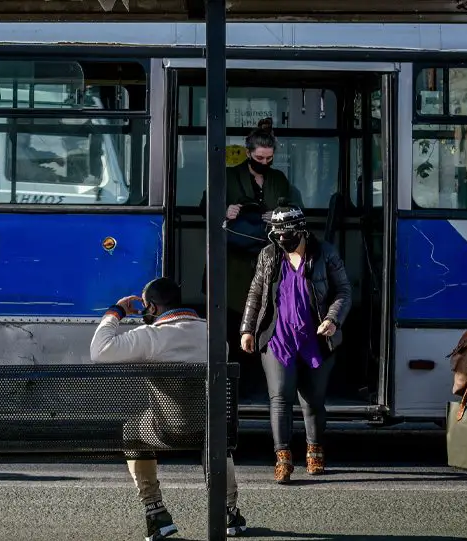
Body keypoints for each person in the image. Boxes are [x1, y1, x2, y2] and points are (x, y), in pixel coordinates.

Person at [91, 277, 248, 539]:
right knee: (216, 436)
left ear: (152, 308)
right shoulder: (213, 335)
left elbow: (99, 350)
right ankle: (228, 510)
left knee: (132, 431)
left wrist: (117, 311)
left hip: (166, 430)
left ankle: (156, 512)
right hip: (209, 430)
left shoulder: (150, 337)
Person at [239, 200, 351, 484]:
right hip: (278, 338)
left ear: (301, 231)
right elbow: (255, 293)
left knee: (312, 401)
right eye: (278, 237)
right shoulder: (269, 255)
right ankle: (283, 457)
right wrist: (247, 329)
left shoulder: (325, 253)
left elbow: (343, 291)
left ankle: (314, 452)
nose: (283, 242)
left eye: (287, 236)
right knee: (280, 398)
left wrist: (333, 319)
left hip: (317, 338)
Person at [200, 118, 303, 376]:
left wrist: (277, 214)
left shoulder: (278, 179)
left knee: (266, 312)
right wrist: (225, 209)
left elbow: (294, 209)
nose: (265, 163)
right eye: (260, 157)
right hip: (234, 259)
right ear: (248, 153)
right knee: (235, 315)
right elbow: (204, 206)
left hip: (268, 257)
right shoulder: (229, 176)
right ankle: (235, 372)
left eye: (269, 158)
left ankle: (263, 370)